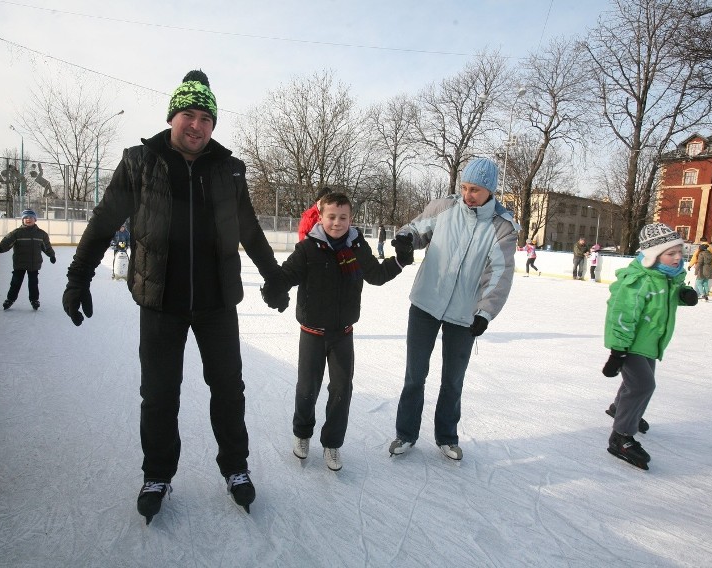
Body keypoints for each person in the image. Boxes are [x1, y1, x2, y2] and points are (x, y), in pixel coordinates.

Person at [62, 70, 289, 522]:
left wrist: (273, 276)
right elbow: (105, 222)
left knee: (228, 390)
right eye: (189, 114)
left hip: (216, 303)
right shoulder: (139, 162)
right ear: (172, 117)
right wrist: (78, 277)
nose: (197, 125)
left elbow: (248, 228)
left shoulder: (229, 169)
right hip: (160, 300)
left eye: (206, 118)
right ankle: (158, 474)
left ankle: (236, 469)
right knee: (159, 394)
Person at [388, 157, 519, 461]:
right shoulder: (443, 208)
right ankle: (405, 434)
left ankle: (446, 436)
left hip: (465, 314)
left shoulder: (502, 227)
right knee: (414, 375)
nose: (468, 194)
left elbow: (499, 274)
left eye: (475, 189)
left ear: (489, 191)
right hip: (425, 302)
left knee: (453, 380)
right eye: (464, 187)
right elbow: (415, 228)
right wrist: (406, 238)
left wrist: (485, 312)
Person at [264, 193, 405, 472]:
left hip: (343, 333)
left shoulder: (357, 245)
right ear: (321, 217)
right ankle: (303, 434)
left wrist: (399, 261)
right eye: (331, 216)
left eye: (343, 217)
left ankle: (332, 444)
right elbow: (287, 275)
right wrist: (273, 288)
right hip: (312, 332)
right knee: (307, 389)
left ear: (351, 219)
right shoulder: (308, 248)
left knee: (342, 390)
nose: (337, 223)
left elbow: (375, 275)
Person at [601, 224, 698, 470]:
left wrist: (683, 295)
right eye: (670, 253)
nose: (678, 257)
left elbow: (663, 301)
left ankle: (618, 408)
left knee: (636, 384)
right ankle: (620, 436)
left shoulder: (667, 277)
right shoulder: (638, 281)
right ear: (653, 256)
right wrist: (618, 352)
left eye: (679, 251)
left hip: (649, 343)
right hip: (631, 344)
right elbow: (622, 316)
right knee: (643, 385)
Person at [0, 209, 55, 310]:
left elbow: (46, 247)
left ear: (35, 219)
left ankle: (34, 300)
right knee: (15, 283)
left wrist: (51, 255)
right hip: (19, 263)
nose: (28, 219)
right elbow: (6, 242)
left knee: (33, 284)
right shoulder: (17, 233)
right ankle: (10, 299)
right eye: (25, 217)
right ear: (22, 220)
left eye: (30, 217)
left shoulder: (41, 234)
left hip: (34, 264)